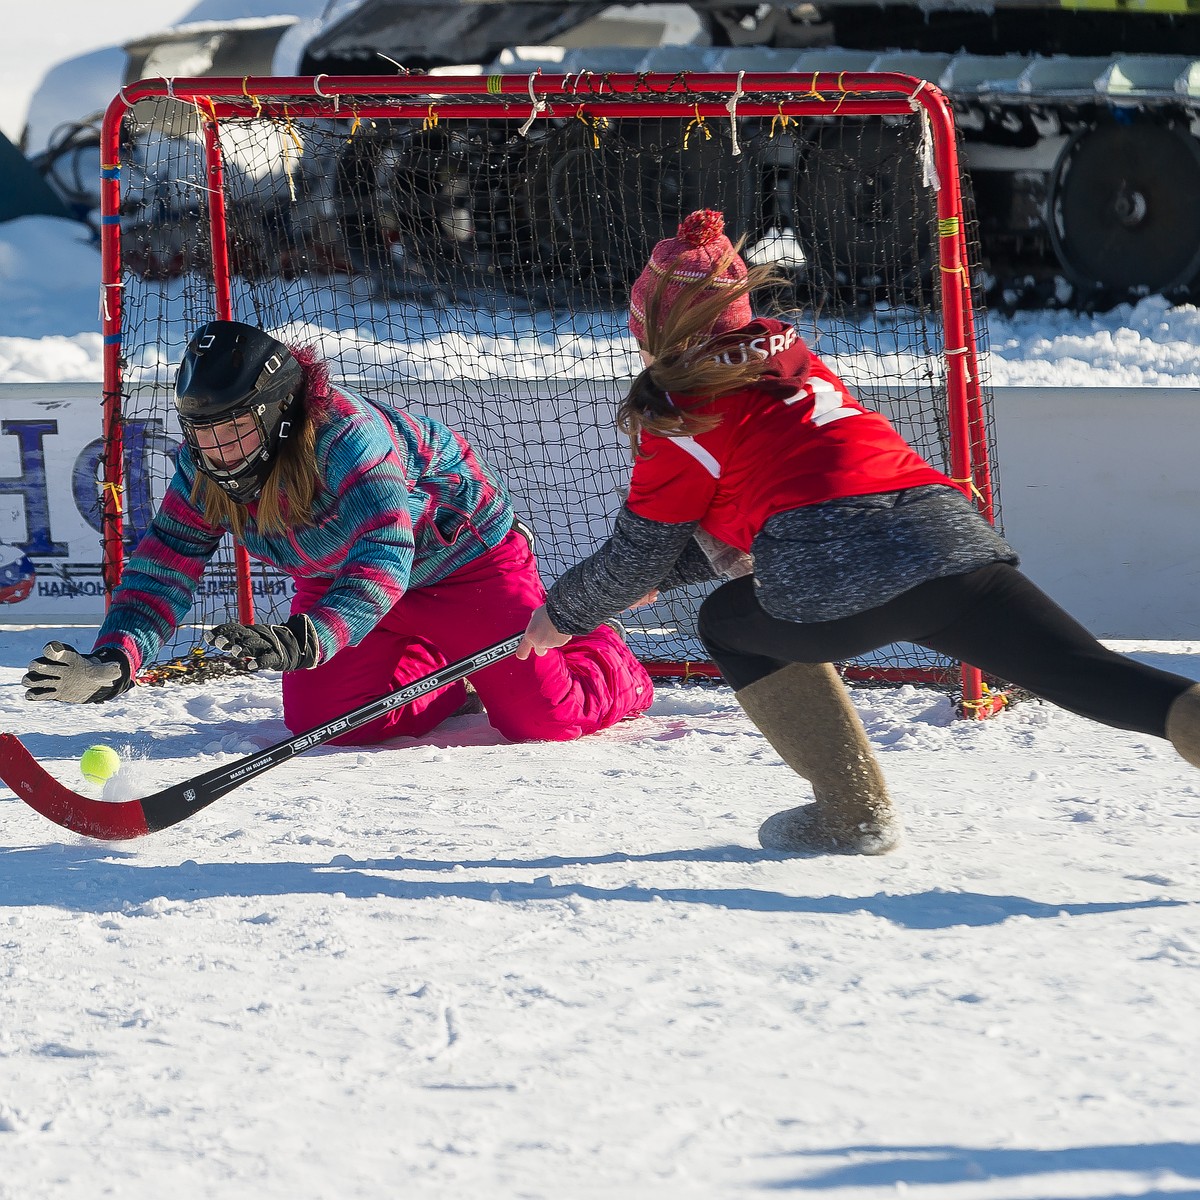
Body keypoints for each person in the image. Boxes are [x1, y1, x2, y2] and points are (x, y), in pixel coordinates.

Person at [518, 208, 1200, 855]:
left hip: (834, 573)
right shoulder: (794, 365)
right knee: (1083, 673)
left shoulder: (680, 415)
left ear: (652, 329)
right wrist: (656, 575)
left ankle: (852, 812)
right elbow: (764, 505)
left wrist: (562, 615)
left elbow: (637, 557)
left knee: (728, 622)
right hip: (947, 538)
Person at [23, 319, 652, 745]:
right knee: (328, 725)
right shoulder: (207, 463)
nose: (217, 452)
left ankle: (606, 649)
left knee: (543, 719)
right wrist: (115, 658)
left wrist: (307, 638)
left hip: (465, 569)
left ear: (277, 415)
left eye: (233, 430)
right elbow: (168, 563)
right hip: (345, 591)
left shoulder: (350, 440)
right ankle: (454, 672)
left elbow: (384, 561)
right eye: (202, 432)